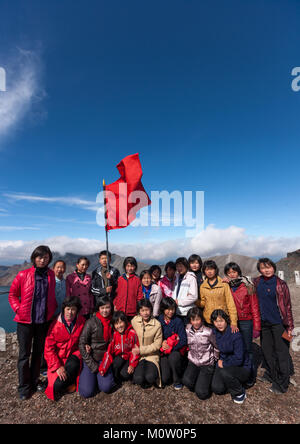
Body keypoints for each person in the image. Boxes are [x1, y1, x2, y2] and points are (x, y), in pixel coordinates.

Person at [8, 245, 57, 400]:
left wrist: (52, 309)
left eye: (46, 257)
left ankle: (35, 381)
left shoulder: (50, 275)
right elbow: (12, 294)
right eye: (40, 257)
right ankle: (24, 386)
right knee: (24, 355)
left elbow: (50, 296)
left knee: (38, 353)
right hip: (25, 322)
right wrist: (18, 309)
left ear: (49, 259)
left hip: (42, 322)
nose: (43, 260)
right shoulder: (23, 275)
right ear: (34, 258)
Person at [253, 258, 294, 394]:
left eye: (269, 267)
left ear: (274, 267)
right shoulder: (257, 282)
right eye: (263, 268)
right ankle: (272, 374)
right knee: (267, 352)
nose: (266, 270)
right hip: (264, 324)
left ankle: (283, 383)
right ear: (259, 270)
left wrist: (289, 327)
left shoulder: (281, 284)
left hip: (279, 324)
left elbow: (287, 307)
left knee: (281, 353)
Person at [223, 262, 261, 382]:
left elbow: (255, 307)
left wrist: (256, 326)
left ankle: (250, 375)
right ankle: (238, 374)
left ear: (238, 272)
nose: (232, 275)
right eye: (229, 273)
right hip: (231, 322)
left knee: (247, 349)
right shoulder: (226, 286)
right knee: (235, 349)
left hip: (245, 321)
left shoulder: (248, 286)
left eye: (234, 272)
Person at [44, 297, 86, 401]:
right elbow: (48, 349)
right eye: (68, 309)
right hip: (59, 359)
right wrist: (57, 367)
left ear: (77, 311)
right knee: (56, 386)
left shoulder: (81, 321)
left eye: (73, 309)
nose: (70, 312)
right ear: (63, 309)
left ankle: (70, 380)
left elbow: (85, 338)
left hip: (74, 355)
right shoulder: (55, 325)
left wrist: (86, 345)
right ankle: (68, 381)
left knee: (74, 364)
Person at [211, 309, 251, 404]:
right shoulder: (215, 332)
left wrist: (224, 363)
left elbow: (239, 359)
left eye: (221, 321)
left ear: (226, 320)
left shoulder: (235, 334)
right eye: (216, 321)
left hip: (241, 367)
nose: (219, 324)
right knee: (217, 388)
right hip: (224, 363)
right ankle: (231, 382)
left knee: (225, 372)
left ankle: (239, 391)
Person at [78, 296, 114, 398]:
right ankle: (90, 377)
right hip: (92, 358)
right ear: (98, 308)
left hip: (105, 359)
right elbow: (81, 343)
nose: (105, 310)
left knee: (106, 387)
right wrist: (93, 365)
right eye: (102, 308)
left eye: (107, 307)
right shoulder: (91, 322)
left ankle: (99, 379)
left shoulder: (113, 321)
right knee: (86, 392)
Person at [182, 306, 219, 400]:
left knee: (202, 393)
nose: (195, 322)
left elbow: (216, 346)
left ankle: (207, 380)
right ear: (190, 320)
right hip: (193, 361)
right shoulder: (187, 329)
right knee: (187, 382)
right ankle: (199, 378)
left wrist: (214, 359)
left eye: (198, 319)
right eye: (193, 320)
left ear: (201, 319)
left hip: (206, 363)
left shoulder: (208, 332)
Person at [99, 311, 140, 384]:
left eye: (121, 322)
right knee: (116, 364)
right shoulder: (114, 335)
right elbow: (108, 352)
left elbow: (135, 351)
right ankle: (116, 379)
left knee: (125, 375)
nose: (119, 326)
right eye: (116, 324)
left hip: (129, 357)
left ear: (125, 322)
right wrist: (103, 368)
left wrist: (132, 365)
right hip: (119, 357)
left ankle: (127, 374)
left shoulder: (132, 333)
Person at [197, 260, 238, 332]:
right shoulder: (203, 286)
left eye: (211, 269)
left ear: (215, 270)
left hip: (222, 320)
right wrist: (194, 300)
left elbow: (230, 303)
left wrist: (234, 322)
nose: (209, 272)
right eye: (207, 269)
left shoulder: (224, 284)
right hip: (209, 320)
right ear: (204, 271)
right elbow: (203, 303)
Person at [131, 299, 163, 388]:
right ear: (139, 312)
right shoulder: (134, 321)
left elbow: (157, 344)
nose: (145, 313)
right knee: (138, 379)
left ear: (151, 310)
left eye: (147, 310)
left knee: (150, 377)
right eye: (142, 310)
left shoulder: (157, 324)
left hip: (151, 355)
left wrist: (141, 350)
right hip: (139, 356)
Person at [158, 297, 187, 390]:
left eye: (173, 309)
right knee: (165, 379)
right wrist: (161, 342)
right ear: (163, 309)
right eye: (168, 309)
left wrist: (172, 347)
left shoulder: (178, 321)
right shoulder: (159, 320)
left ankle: (177, 380)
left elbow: (183, 340)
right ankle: (169, 373)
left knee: (174, 358)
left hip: (175, 349)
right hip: (163, 351)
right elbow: (155, 337)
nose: (170, 312)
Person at [114, 257, 143, 321]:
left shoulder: (137, 280)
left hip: (132, 311)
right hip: (120, 309)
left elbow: (140, 296)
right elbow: (116, 293)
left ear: (135, 267)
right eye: (128, 266)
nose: (130, 268)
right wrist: (115, 304)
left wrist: (139, 308)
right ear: (125, 267)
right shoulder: (120, 279)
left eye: (132, 266)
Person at [172, 257, 198, 325]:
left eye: (181, 266)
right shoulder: (177, 277)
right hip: (176, 310)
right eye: (177, 266)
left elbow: (194, 296)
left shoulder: (191, 277)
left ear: (186, 266)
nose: (179, 268)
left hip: (186, 312)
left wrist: (179, 302)